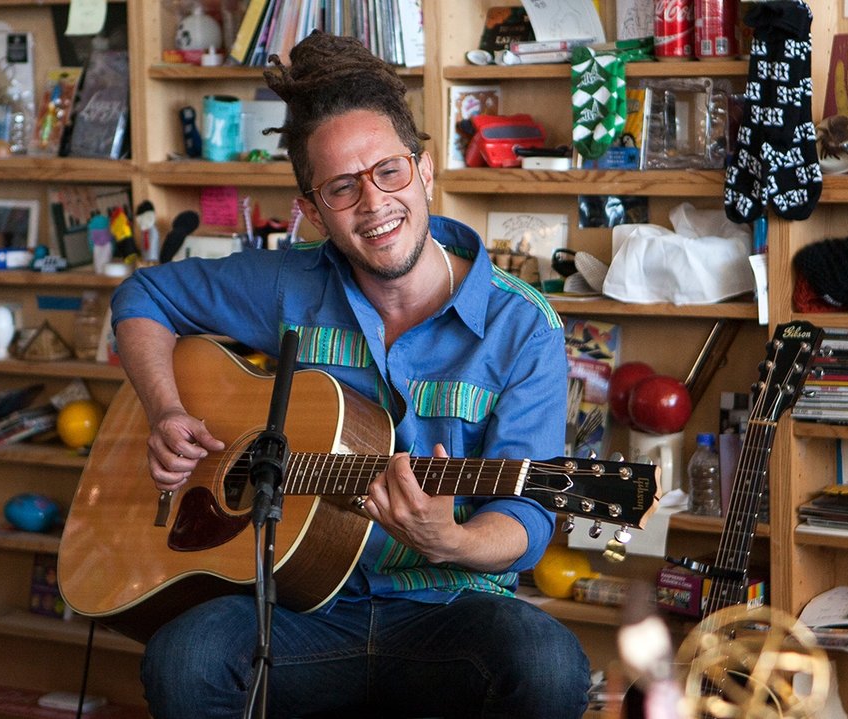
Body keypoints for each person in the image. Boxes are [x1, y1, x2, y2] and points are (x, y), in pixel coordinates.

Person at [110, 31, 591, 719]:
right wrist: (164, 412)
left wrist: (448, 538)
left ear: (424, 171)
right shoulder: (289, 287)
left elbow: (527, 513)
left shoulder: (522, 325)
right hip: (302, 608)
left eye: (389, 172)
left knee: (547, 665)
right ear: (311, 210)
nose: (374, 203)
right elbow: (142, 297)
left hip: (448, 615)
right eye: (342, 187)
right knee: (184, 658)